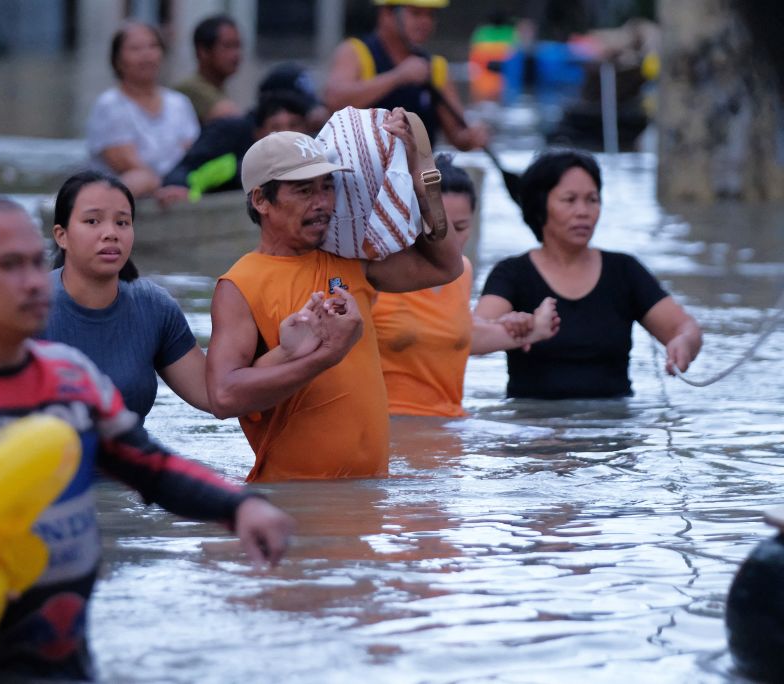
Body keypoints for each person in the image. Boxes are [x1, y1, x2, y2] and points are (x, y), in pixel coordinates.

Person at [0, 197, 293, 680]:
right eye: (9, 266)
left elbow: (150, 467)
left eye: (34, 262)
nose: (33, 281)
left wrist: (240, 507)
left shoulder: (70, 380)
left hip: (66, 665)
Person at [205, 116, 464, 483]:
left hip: (368, 499)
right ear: (262, 199)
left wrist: (424, 179)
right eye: (304, 190)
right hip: (296, 502)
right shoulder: (239, 284)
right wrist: (326, 355)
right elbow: (223, 397)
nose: (323, 202)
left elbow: (445, 267)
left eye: (327, 187)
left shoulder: (350, 259)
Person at [44, 170, 323, 423]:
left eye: (122, 222)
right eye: (92, 221)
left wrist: (288, 352)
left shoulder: (153, 307)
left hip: (128, 476)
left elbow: (216, 396)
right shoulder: (23, 307)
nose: (110, 234)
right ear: (61, 236)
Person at [474, 149, 703, 399]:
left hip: (613, 426)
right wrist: (510, 326)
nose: (583, 211)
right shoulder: (512, 274)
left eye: (592, 200)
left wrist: (684, 343)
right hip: (534, 427)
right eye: (569, 200)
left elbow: (684, 327)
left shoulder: (624, 271)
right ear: (540, 206)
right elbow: (473, 336)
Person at [372, 154, 560, 417]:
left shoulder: (462, 272)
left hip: (450, 423)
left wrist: (529, 330)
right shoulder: (375, 273)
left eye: (459, 228)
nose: (446, 239)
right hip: (389, 426)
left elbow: (456, 334)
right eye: (435, 226)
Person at [323, 0, 489, 150]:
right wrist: (398, 77)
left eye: (430, 15)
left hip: (417, 176)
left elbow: (457, 136)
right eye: (416, 13)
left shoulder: (436, 67)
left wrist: (472, 136)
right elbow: (333, 101)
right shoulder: (355, 52)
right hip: (366, 174)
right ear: (386, 13)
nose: (426, 22)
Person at [86, 21, 199, 198]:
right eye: (135, 49)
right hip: (129, 192)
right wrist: (161, 186)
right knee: (141, 178)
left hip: (177, 187)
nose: (147, 55)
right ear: (118, 61)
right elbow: (126, 164)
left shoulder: (179, 103)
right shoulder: (109, 105)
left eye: (153, 46)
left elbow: (191, 156)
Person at [156, 90, 310, 207]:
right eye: (275, 127)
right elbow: (187, 166)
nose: (286, 134)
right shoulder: (229, 143)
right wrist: (179, 187)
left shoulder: (316, 153)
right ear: (258, 132)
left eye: (294, 125)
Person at [173, 14, 243, 125]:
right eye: (227, 46)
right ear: (203, 52)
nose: (236, 54)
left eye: (237, 46)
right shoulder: (189, 89)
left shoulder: (219, 88)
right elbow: (232, 117)